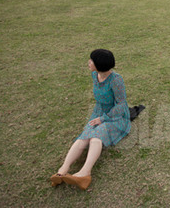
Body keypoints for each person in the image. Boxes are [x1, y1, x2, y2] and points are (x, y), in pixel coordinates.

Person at [50, 49, 131, 190]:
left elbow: (121, 104)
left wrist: (103, 118)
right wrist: (99, 116)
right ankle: (63, 169)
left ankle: (85, 173)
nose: (89, 62)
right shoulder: (95, 75)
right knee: (84, 138)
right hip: (98, 112)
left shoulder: (116, 80)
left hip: (115, 116)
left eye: (92, 60)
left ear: (99, 64)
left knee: (95, 138)